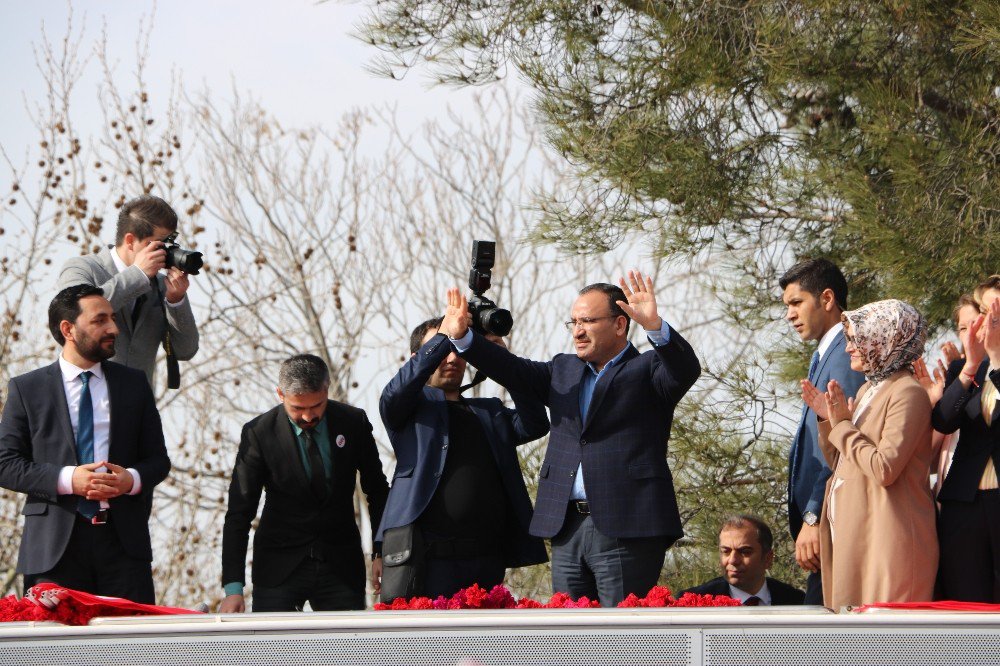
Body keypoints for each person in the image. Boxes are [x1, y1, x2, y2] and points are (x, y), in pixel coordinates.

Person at [442, 271, 701, 607]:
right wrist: (464, 338)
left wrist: (655, 327)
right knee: (569, 638)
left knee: (620, 640)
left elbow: (685, 369)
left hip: (627, 526)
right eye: (574, 322)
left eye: (588, 321)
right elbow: (513, 370)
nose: (578, 331)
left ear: (620, 325)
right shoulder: (563, 369)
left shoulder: (650, 370)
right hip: (566, 526)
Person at [0, 285, 170, 603]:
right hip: (53, 552)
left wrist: (129, 480)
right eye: (100, 320)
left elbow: (158, 460)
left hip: (123, 548)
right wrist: (69, 479)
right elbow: (5, 464)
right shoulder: (27, 389)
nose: (113, 328)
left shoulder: (133, 384)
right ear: (69, 329)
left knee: (131, 650)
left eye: (113, 319)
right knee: (54, 653)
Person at [376, 317, 549, 601]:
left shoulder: (488, 413)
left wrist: (503, 362)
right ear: (416, 358)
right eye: (442, 349)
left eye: (458, 349)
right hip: (426, 562)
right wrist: (446, 334)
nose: (452, 357)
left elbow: (536, 423)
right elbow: (395, 392)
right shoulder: (407, 412)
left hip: (486, 560)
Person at [219, 354, 389, 612]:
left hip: (341, 566)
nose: (308, 416)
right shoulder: (259, 433)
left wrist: (381, 551)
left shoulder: (353, 423)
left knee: (346, 648)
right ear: (280, 394)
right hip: (278, 567)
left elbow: (377, 490)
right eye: (297, 409)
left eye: (317, 406)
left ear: (326, 388)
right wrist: (233, 588)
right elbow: (239, 512)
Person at [802, 299, 937, 609]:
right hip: (859, 537)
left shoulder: (908, 392)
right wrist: (829, 420)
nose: (849, 348)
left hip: (888, 542)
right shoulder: (867, 390)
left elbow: (883, 467)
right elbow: (843, 462)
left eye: (856, 339)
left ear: (885, 338)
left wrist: (842, 426)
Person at [779, 258, 865, 604]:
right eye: (787, 306)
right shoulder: (826, 354)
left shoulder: (844, 355)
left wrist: (814, 515)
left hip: (832, 518)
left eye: (797, 302)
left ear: (827, 299)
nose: (790, 315)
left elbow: (838, 443)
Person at [57, 194, 199, 388]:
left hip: (137, 410)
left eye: (168, 245)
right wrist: (137, 276)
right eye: (158, 245)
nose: (164, 252)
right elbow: (77, 317)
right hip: (85, 401)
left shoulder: (161, 285)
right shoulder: (81, 269)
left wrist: (176, 301)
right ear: (130, 240)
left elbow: (186, 350)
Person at [934, 276, 1000, 602]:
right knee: (966, 598)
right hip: (965, 501)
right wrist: (972, 365)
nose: (988, 321)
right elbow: (943, 421)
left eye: (995, 312)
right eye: (986, 311)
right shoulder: (966, 367)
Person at [682, 515, 804, 606]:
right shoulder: (694, 602)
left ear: (768, 558)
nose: (733, 560)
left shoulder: (797, 601)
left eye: (745, 552)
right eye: (726, 551)